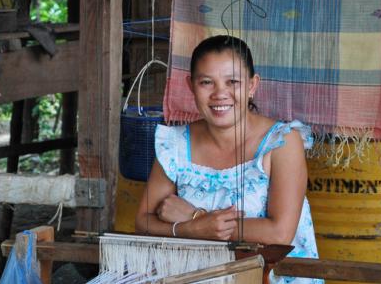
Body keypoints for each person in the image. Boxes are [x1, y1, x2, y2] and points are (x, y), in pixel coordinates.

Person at [135, 35, 322, 284]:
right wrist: (192, 227)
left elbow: (279, 234)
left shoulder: (282, 143)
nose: (220, 94)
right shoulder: (176, 145)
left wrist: (198, 219)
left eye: (232, 81)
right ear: (191, 85)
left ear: (253, 85)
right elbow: (143, 222)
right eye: (206, 83)